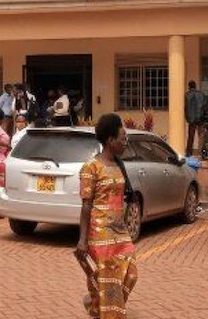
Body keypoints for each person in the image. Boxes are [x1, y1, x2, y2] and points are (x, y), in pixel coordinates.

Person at [77, 113, 138, 319]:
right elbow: (86, 206)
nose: (125, 141)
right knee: (109, 279)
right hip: (100, 232)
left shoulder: (119, 165)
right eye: (122, 137)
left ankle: (95, 302)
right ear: (110, 141)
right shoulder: (91, 168)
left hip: (120, 231)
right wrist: (82, 240)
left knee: (130, 274)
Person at [184, 81, 207, 156]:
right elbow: (205, 107)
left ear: (189, 86)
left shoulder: (187, 95)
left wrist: (187, 118)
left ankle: (189, 153)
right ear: (195, 86)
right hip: (201, 118)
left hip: (191, 119)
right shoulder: (201, 94)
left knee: (190, 137)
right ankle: (201, 153)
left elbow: (185, 108)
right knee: (201, 136)